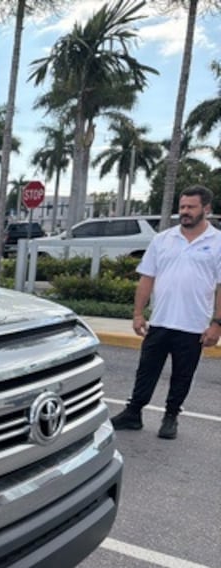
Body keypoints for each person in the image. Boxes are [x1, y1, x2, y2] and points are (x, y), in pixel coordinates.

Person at [111, 185, 221, 439]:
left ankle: (171, 416)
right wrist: (138, 314)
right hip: (160, 321)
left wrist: (217, 324)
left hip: (193, 325)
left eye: (191, 207)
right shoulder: (163, 239)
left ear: (206, 209)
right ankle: (133, 413)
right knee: (146, 370)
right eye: (182, 207)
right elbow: (147, 278)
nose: (185, 212)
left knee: (183, 375)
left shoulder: (217, 242)